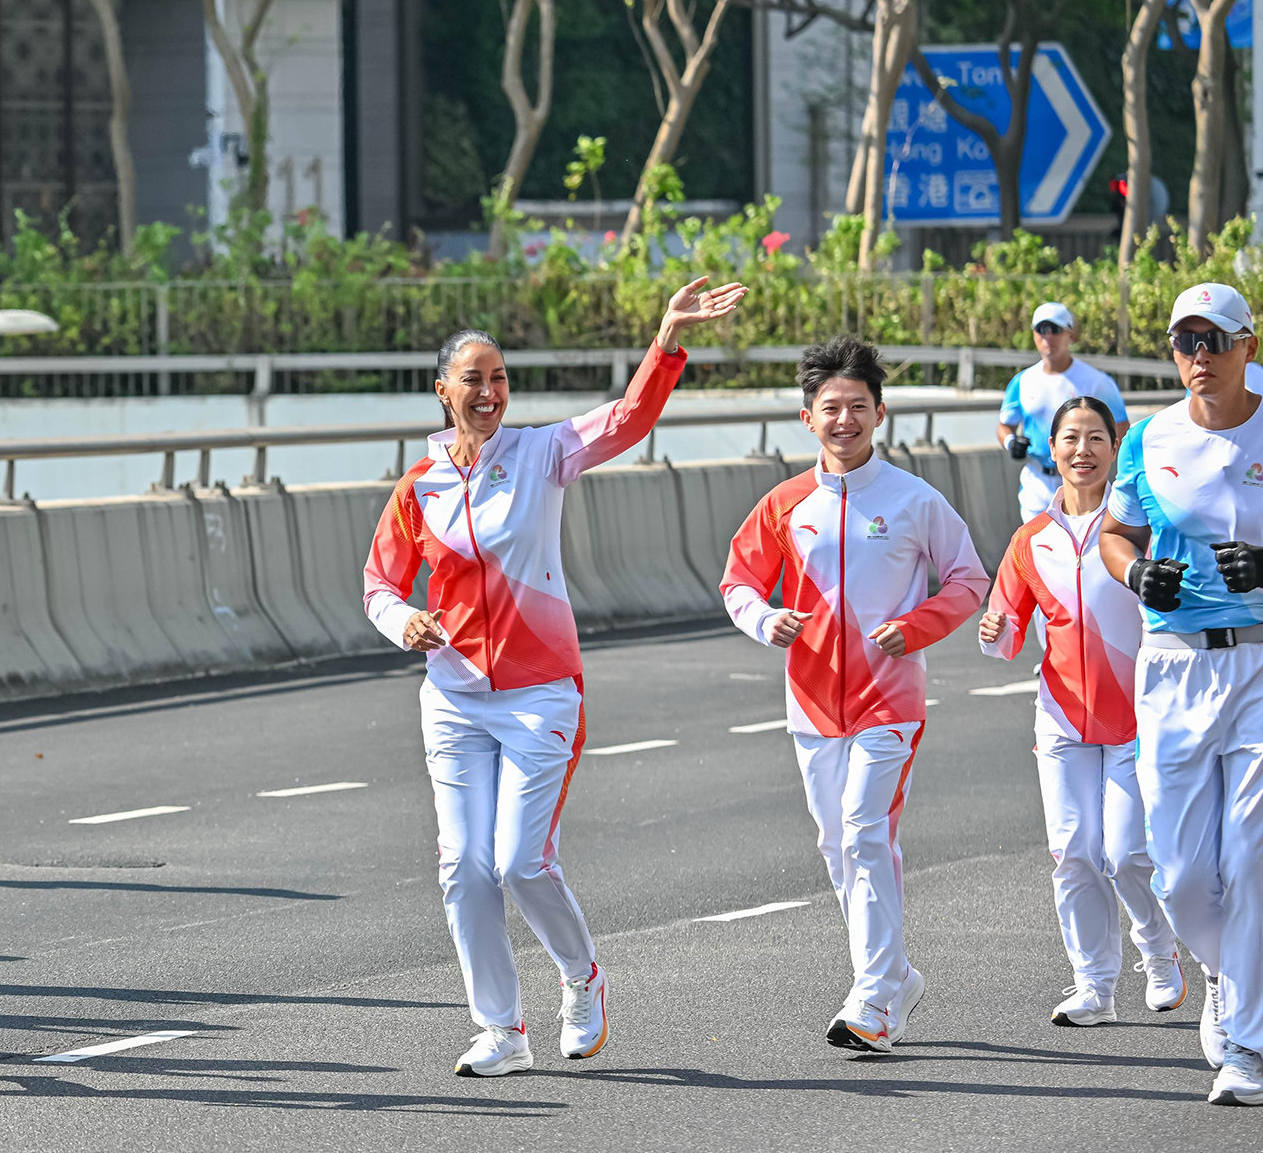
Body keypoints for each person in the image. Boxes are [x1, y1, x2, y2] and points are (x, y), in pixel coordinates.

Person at [362, 277, 748, 1078]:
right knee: (462, 867)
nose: (491, 392)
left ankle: (582, 977)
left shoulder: (541, 453)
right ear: (443, 392)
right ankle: (502, 1030)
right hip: (456, 699)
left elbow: (627, 420)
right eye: (474, 379)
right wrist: (406, 621)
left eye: (500, 378)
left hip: (541, 695)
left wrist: (666, 339)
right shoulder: (420, 487)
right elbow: (379, 584)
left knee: (520, 862)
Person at [722, 335, 988, 1055]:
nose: (845, 420)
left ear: (880, 414)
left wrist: (918, 624)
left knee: (867, 831)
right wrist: (764, 618)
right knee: (838, 843)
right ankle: (897, 974)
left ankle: (872, 998)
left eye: (859, 407)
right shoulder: (785, 504)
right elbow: (738, 582)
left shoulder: (913, 500)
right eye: (831, 408)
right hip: (809, 701)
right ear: (808, 418)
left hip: (888, 700)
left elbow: (969, 580)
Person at [1101, 281, 1263, 1106]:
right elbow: (1116, 532)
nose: (1197, 357)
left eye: (1213, 340)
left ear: (1248, 345)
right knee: (1180, 876)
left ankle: (1248, 1046)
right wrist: (1138, 572)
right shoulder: (1147, 437)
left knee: (1254, 854)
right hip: (1171, 664)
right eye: (1182, 342)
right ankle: (1227, 976)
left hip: (1262, 661)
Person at [978, 396, 1185, 1026]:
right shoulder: (1030, 539)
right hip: (1062, 717)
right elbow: (1008, 635)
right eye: (1070, 438)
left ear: (1115, 445)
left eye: (1096, 437)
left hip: (1135, 716)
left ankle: (1158, 949)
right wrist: (993, 629)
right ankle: (1093, 985)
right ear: (1052, 447)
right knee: (1072, 852)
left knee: (1126, 855)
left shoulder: (1135, 531)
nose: (1082, 451)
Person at [999, 302, 1130, 522]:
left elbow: (1121, 428)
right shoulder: (1023, 381)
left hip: (1083, 479)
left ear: (1071, 334)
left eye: (1055, 330)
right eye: (1042, 330)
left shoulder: (1097, 382)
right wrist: (1011, 442)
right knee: (1038, 551)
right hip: (1038, 481)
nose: (1048, 336)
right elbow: (1004, 425)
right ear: (1033, 335)